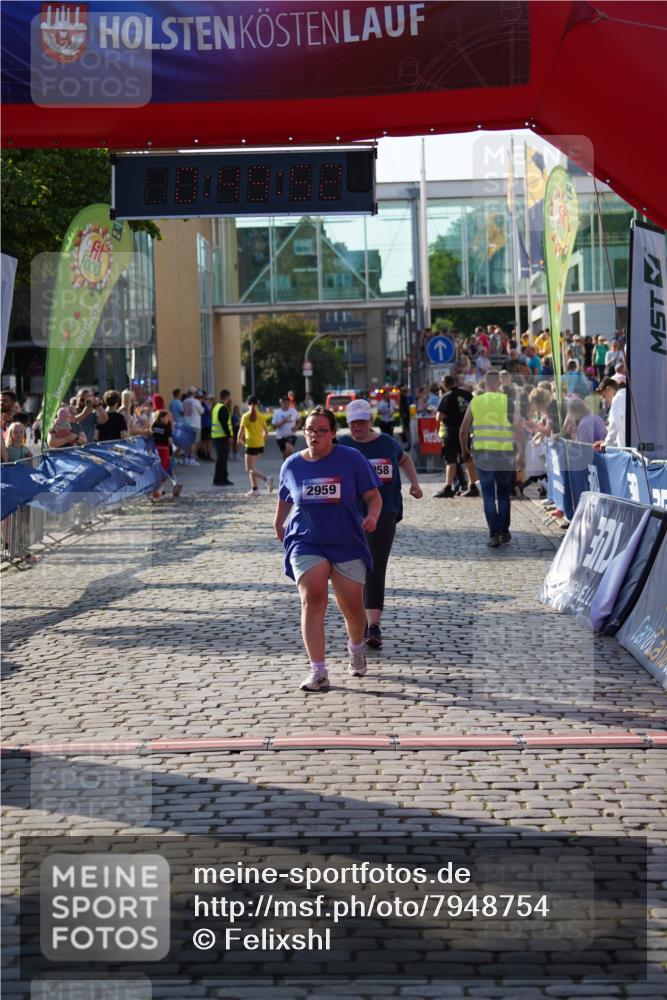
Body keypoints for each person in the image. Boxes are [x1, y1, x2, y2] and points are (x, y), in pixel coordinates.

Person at [273, 406, 382, 692]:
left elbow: (373, 496)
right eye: (310, 430)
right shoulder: (292, 464)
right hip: (306, 540)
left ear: (333, 433)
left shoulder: (352, 459)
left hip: (347, 541)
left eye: (322, 430)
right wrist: (278, 523)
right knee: (313, 598)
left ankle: (356, 649)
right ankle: (318, 671)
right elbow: (285, 497)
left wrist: (372, 517)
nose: (315, 435)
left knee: (352, 607)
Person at [339, 398, 422, 650]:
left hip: (385, 512)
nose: (357, 427)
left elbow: (404, 459)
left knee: (375, 566)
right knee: (354, 568)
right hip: (350, 515)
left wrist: (414, 483)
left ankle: (373, 625)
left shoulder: (386, 442)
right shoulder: (341, 445)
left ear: (370, 421)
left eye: (362, 421)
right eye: (353, 422)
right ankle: (359, 621)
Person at [459, 370, 524, 548]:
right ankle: (504, 531)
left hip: (483, 454)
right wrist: (521, 454)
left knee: (488, 495)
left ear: (486, 383)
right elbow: (519, 429)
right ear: (499, 383)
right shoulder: (508, 402)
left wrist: (464, 450)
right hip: (504, 453)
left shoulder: (476, 401)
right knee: (503, 493)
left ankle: (494, 534)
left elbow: (463, 430)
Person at [434, 375, 477, 498]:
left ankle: (448, 487)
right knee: (467, 457)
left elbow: (439, 417)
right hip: (465, 430)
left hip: (451, 432)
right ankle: (473, 485)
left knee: (451, 460)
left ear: (444, 384)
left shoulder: (446, 396)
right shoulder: (466, 394)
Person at [238, 395, 273, 497]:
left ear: (247, 404)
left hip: (250, 445)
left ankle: (267, 478)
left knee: (249, 469)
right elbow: (266, 432)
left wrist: (240, 441)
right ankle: (255, 489)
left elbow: (240, 433)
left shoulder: (245, 416)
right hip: (260, 445)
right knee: (252, 468)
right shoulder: (261, 416)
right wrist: (263, 442)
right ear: (257, 404)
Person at [594, 377, 626, 449]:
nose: (605, 401)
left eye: (604, 396)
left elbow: (614, 425)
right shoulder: (624, 394)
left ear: (608, 389)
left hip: (626, 448)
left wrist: (606, 443)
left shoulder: (617, 398)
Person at [211, 389, 234, 486]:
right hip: (222, 437)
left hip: (217, 437)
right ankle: (219, 479)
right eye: (229, 397)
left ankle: (223, 478)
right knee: (222, 459)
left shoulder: (216, 407)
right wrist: (229, 436)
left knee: (221, 459)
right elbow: (224, 423)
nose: (230, 399)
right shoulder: (223, 408)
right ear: (226, 397)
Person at [272, 396, 300, 461]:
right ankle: (287, 464)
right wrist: (283, 422)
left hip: (291, 435)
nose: (285, 405)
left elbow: (299, 420)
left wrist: (296, 427)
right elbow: (273, 426)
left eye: (287, 403)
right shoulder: (277, 413)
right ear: (280, 403)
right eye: (284, 403)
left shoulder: (293, 411)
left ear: (289, 403)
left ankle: (291, 464)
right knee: (285, 455)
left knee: (289, 449)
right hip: (280, 436)